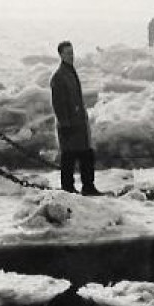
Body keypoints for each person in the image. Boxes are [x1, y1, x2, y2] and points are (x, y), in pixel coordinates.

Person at [50, 41, 99, 196]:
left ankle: (88, 186)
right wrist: (65, 124)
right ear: (61, 55)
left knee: (86, 155)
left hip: (79, 124)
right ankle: (68, 188)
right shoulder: (59, 76)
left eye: (72, 52)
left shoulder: (70, 72)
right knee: (69, 158)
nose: (71, 56)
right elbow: (58, 103)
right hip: (69, 125)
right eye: (68, 53)